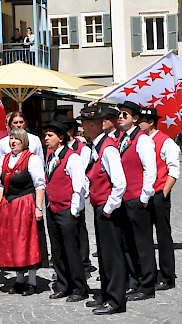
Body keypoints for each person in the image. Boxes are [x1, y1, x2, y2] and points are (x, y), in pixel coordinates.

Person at [77, 105, 127, 315]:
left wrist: (108, 208)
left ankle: (116, 300)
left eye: (83, 124)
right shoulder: (99, 146)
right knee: (105, 255)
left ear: (92, 124)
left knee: (112, 255)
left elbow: (120, 183)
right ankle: (107, 294)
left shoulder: (108, 148)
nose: (81, 128)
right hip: (101, 206)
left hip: (108, 209)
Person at [0, 128, 46, 296]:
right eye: (11, 138)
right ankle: (19, 279)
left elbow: (39, 185)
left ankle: (31, 281)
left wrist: (38, 208)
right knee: (13, 242)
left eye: (16, 139)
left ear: (23, 141)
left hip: (25, 203)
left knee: (27, 241)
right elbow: (1, 185)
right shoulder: (4, 159)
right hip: (9, 206)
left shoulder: (32, 159)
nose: (13, 142)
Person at [43, 121, 89, 302]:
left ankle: (79, 288)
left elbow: (79, 186)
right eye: (46, 135)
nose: (46, 139)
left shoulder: (73, 158)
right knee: (57, 251)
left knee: (71, 251)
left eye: (50, 135)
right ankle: (63, 285)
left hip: (66, 210)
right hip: (52, 208)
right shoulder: (51, 156)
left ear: (60, 138)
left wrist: (74, 211)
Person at [116, 101, 157, 302]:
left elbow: (151, 170)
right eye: (120, 114)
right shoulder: (122, 139)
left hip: (136, 199)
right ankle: (134, 282)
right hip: (123, 199)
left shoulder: (142, 140)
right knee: (127, 244)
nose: (121, 117)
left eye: (125, 114)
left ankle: (147, 285)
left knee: (142, 244)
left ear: (135, 119)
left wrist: (144, 197)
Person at [139, 107, 180, 290]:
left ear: (151, 122)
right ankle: (148, 272)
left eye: (141, 120)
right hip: (143, 193)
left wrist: (163, 193)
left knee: (163, 236)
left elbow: (174, 170)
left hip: (158, 193)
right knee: (145, 236)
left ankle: (167, 276)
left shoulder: (166, 142)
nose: (138, 123)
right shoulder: (140, 141)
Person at [56, 114, 95, 277]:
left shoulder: (82, 149)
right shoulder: (57, 151)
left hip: (77, 194)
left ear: (70, 131)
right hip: (63, 197)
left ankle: (84, 263)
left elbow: (85, 174)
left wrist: (81, 197)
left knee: (80, 229)